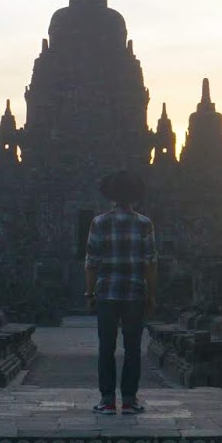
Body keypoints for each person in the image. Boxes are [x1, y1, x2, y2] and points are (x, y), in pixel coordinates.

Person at [84, 169, 156, 414]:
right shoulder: (145, 223)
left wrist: (89, 293)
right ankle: (128, 400)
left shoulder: (99, 222)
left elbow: (91, 261)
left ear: (111, 196)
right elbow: (150, 262)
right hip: (135, 293)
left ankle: (106, 400)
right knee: (133, 347)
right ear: (135, 196)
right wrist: (151, 295)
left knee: (106, 347)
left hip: (106, 293)